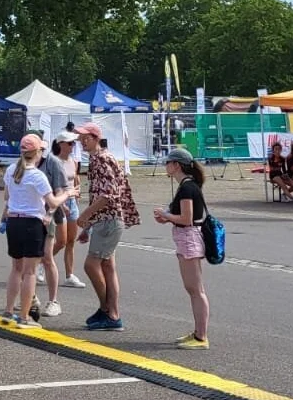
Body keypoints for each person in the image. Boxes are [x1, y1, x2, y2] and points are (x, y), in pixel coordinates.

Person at [1, 135, 77, 327]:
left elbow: (7, 195)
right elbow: (53, 201)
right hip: (32, 223)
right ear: (37, 152)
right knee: (30, 272)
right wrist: (68, 193)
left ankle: (8, 311)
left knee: (16, 269)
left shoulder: (11, 170)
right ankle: (24, 317)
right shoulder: (37, 175)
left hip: (13, 221)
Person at [75, 122, 140, 331]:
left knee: (91, 265)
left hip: (108, 219)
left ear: (95, 138)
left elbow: (108, 194)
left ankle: (108, 310)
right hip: (108, 219)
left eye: (85, 138)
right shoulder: (101, 157)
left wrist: (85, 216)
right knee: (108, 266)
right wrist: (89, 226)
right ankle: (112, 312)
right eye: (80, 138)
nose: (82, 141)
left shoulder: (101, 159)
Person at [154, 148, 211, 350]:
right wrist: (168, 218)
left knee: (195, 289)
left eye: (168, 162)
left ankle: (201, 336)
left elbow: (186, 219)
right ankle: (198, 332)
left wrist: (165, 215)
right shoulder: (188, 185)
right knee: (193, 288)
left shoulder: (187, 188)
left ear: (176, 165)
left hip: (188, 237)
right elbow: (185, 217)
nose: (166, 166)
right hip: (187, 236)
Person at [37, 136, 72, 317]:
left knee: (47, 257)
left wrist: (52, 212)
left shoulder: (53, 163)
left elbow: (60, 191)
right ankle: (31, 297)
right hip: (28, 216)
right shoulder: (21, 165)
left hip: (47, 215)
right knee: (25, 259)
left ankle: (53, 301)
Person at [52, 131, 86, 288]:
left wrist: (77, 191)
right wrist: (61, 204)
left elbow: (75, 179)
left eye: (74, 143)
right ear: (61, 144)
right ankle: (41, 263)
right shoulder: (54, 162)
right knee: (61, 241)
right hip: (60, 203)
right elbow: (53, 186)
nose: (73, 146)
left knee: (71, 240)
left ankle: (69, 275)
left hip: (72, 202)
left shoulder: (73, 161)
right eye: (70, 143)